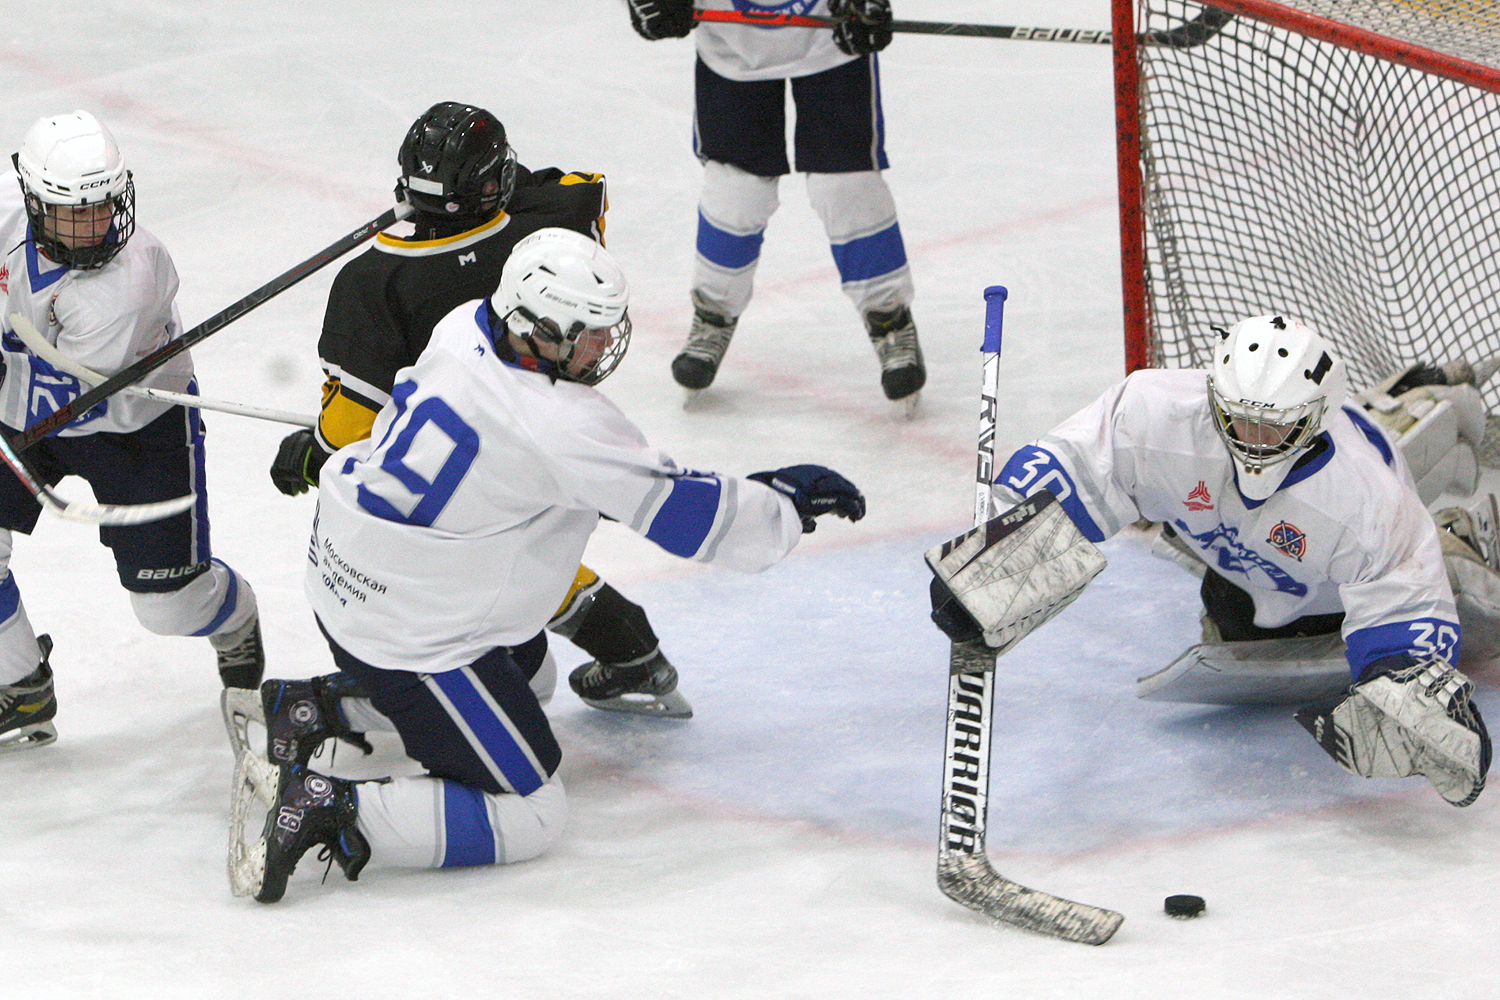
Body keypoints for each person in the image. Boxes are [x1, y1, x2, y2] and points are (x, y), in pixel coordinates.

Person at [229, 228, 864, 902]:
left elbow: (580, 476)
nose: (601, 347)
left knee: (530, 677)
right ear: (534, 327)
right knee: (529, 810)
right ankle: (324, 804)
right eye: (585, 333)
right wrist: (783, 507)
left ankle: (312, 709)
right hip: (410, 628)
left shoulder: (464, 325)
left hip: (355, 565)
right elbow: (687, 519)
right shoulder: (563, 426)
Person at [930, 314, 1491, 807]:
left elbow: (1405, 594)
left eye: (1275, 429)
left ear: (1316, 418)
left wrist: (1410, 686)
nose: (1254, 442)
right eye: (1240, 420)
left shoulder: (1367, 499)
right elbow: (1075, 467)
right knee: (1237, 624)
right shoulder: (1156, 410)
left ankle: (1456, 521)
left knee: (1451, 564)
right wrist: (1005, 551)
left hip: (1339, 541)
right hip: (1249, 565)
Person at [267, 102, 692, 718]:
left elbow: (353, 433)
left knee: (479, 560)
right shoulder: (553, 222)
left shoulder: (374, 281)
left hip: (460, 458)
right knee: (529, 549)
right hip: (559, 418)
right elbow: (579, 186)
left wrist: (311, 455)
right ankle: (634, 651)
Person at [0, 111, 263, 753]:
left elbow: (75, 397)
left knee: (167, 607)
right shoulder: (11, 237)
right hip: (29, 414)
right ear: (34, 202)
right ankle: (20, 685)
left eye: (103, 207)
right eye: (73, 213)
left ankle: (234, 616)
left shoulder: (129, 281)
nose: (95, 226)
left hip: (138, 435)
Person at [625, 0, 926, 407]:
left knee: (845, 186)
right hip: (731, 48)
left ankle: (888, 317)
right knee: (737, 191)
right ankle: (713, 315)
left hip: (828, 41)